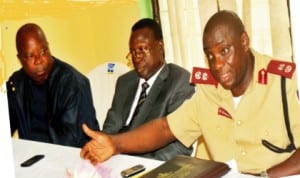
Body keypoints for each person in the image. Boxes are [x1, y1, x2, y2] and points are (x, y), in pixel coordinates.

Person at [80, 10, 300, 177]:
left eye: (224, 51)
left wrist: (265, 176)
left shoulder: (283, 83)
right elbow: (166, 128)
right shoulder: (209, 92)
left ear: (244, 41)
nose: (218, 64)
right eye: (210, 56)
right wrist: (116, 143)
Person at [102, 18, 195, 161]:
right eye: (133, 52)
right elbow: (110, 127)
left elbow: (180, 145)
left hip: (148, 165)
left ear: (160, 46)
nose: (137, 57)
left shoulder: (179, 81)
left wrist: (142, 167)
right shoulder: (124, 82)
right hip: (114, 159)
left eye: (142, 49)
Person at [6, 23, 100, 147]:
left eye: (43, 51)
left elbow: (73, 143)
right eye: (30, 56)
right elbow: (5, 125)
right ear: (20, 59)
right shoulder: (17, 84)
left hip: (73, 158)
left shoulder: (73, 84)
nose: (39, 60)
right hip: (31, 157)